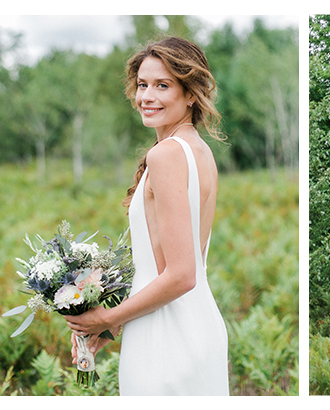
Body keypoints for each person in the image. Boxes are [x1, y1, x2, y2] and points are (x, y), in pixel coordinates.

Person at [65, 36, 230, 395]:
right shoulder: (200, 152)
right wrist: (112, 329)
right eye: (142, 85)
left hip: (165, 340)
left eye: (163, 85)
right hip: (195, 324)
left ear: (191, 94)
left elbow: (181, 274)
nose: (147, 96)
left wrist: (106, 318)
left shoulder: (167, 155)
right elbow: (179, 268)